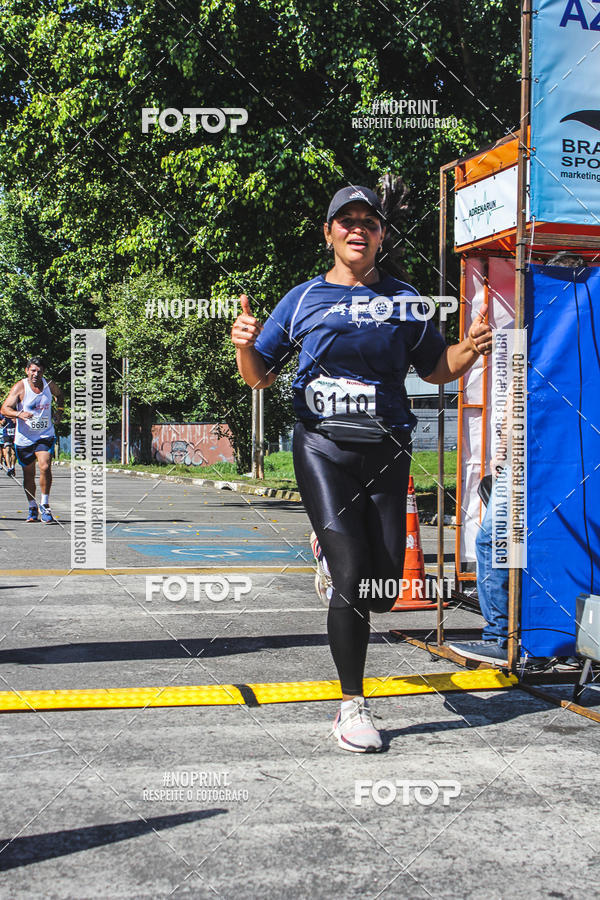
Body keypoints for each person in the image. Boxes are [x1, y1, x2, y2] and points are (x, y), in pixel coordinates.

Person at [231, 185, 492, 752]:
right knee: (352, 577)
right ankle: (351, 706)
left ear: (380, 234)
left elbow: (436, 366)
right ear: (328, 233)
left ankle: (332, 556)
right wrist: (244, 346)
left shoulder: (405, 300)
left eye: (368, 222)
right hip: (323, 448)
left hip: (386, 453)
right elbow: (259, 377)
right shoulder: (301, 300)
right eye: (345, 221)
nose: (357, 230)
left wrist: (469, 349)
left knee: (381, 590)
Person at [1, 357, 63, 523]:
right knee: (29, 474)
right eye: (33, 370)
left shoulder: (49, 385)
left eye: (39, 371)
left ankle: (45, 505)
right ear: (27, 370)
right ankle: (32, 506)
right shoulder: (20, 387)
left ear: (43, 372)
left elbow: (60, 395)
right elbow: (5, 408)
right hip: (25, 438)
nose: (36, 374)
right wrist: (19, 414)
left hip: (45, 434)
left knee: (45, 465)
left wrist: (60, 411)